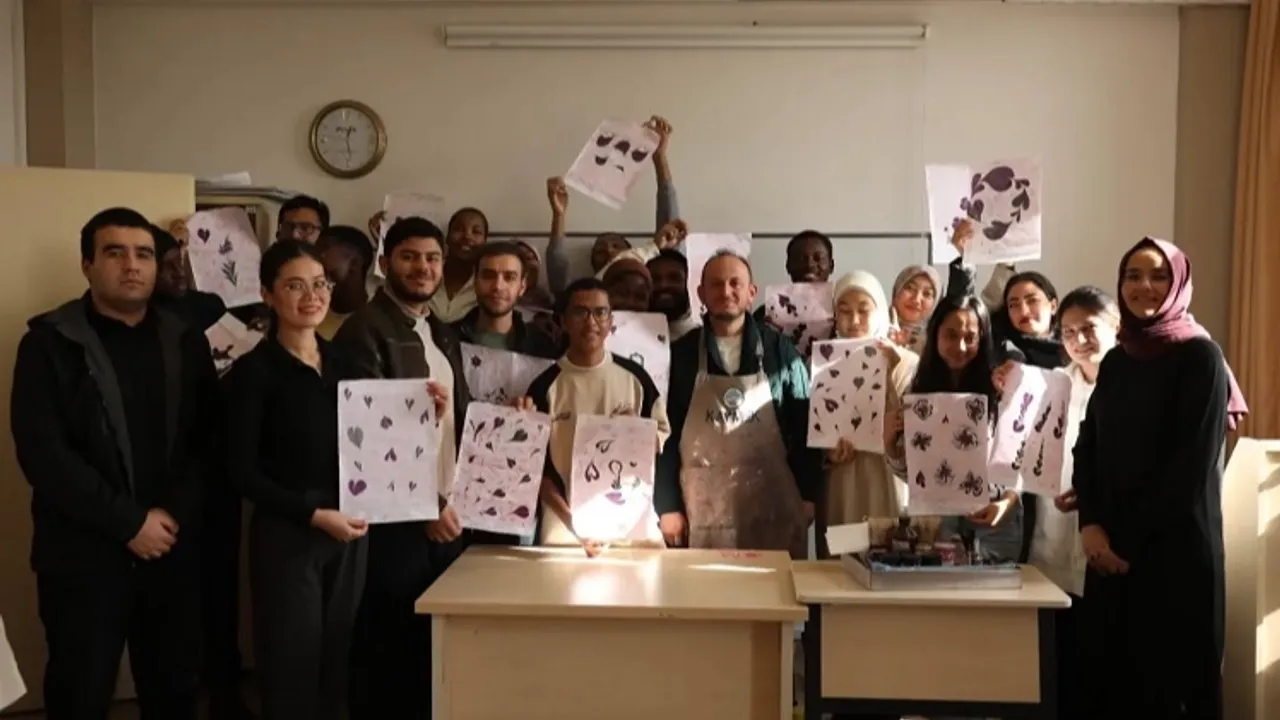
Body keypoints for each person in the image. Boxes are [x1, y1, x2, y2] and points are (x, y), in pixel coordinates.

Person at [11, 207, 220, 719]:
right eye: (115, 252)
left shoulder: (185, 338)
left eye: (144, 254)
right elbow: (43, 453)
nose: (132, 265)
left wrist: (169, 516)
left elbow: (209, 440)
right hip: (82, 555)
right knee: (79, 692)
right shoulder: (49, 343)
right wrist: (128, 523)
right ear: (87, 264)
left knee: (173, 691)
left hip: (171, 548)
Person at [1071, 237, 1247, 720]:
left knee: (1173, 695)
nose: (1144, 286)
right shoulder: (1117, 361)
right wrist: (1091, 525)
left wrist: (1121, 544)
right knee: (1114, 693)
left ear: (1179, 282)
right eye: (1133, 275)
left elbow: (1188, 472)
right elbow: (1088, 445)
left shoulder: (1201, 358)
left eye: (1158, 275)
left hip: (1175, 559)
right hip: (1108, 553)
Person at [332, 216, 490, 720]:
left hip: (444, 509)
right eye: (409, 257)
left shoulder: (439, 331)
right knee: (390, 641)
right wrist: (425, 505)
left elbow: (454, 419)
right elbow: (368, 435)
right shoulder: (364, 330)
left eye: (432, 258)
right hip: (396, 518)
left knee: (431, 642)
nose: (423, 268)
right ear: (385, 263)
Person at [658, 251, 819, 556]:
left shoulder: (781, 352)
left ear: (751, 293)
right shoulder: (681, 355)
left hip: (773, 505)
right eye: (716, 284)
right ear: (701, 294)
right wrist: (666, 506)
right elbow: (665, 435)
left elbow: (804, 427)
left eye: (735, 283)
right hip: (698, 509)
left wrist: (808, 495)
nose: (726, 291)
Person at [1008, 285, 1119, 720]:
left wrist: (1092, 499)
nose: (1079, 340)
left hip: (1108, 540)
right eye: (1069, 332)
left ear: (1115, 326)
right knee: (1058, 664)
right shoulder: (1054, 385)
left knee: (1104, 665)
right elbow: (1028, 452)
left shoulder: (1131, 386)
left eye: (1089, 328)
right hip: (1053, 537)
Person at [522, 278, 671, 553]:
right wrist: (575, 524)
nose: (591, 322)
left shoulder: (636, 378)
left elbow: (661, 438)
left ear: (611, 321)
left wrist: (635, 437)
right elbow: (537, 472)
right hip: (565, 533)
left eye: (600, 312)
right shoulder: (544, 387)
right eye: (580, 312)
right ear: (564, 321)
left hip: (633, 528)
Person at [905, 292, 1021, 562]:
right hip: (937, 515)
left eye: (970, 337)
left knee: (992, 587)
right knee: (940, 585)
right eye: (951, 335)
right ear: (935, 335)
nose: (960, 346)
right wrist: (890, 442)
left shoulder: (1001, 387)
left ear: (983, 338)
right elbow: (909, 469)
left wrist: (1007, 501)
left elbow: (1021, 456)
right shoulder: (917, 390)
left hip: (994, 515)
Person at [819, 272, 917, 551]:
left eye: (864, 310)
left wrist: (893, 371)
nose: (854, 321)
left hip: (888, 478)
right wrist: (827, 454)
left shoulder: (908, 362)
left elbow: (916, 427)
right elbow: (814, 427)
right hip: (843, 481)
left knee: (890, 554)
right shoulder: (823, 364)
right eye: (844, 311)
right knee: (842, 558)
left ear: (881, 312)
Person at [545, 114, 681, 292]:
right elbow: (558, 271)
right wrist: (559, 215)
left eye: (617, 246)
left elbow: (670, 236)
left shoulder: (655, 292)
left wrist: (659, 158)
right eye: (600, 252)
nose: (609, 252)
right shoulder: (587, 297)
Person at [453, 241, 560, 358]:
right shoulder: (447, 338)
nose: (498, 286)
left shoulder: (542, 346)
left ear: (522, 286)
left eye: (509, 277)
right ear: (475, 281)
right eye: (488, 276)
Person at [152, 225, 226, 331]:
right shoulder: (145, 320)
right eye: (168, 266)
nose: (181, 273)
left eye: (179, 261)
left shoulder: (211, 307)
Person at [753, 229, 835, 326]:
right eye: (800, 259)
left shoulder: (845, 311)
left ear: (831, 266)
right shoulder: (766, 315)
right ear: (788, 266)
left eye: (818, 258)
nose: (809, 265)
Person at [430, 206, 489, 322]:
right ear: (447, 237)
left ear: (484, 242)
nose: (467, 236)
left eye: (476, 232)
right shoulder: (426, 271)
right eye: (459, 229)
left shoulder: (488, 285)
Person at [316, 225, 375, 339]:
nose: (315, 257)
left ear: (354, 263)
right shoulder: (310, 317)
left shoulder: (378, 321)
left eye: (324, 249)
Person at [887, 264, 942, 354]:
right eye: (910, 288)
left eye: (927, 294)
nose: (916, 300)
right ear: (897, 290)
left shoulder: (937, 343)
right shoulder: (875, 328)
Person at [647, 248, 699, 342]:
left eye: (674, 278)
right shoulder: (630, 334)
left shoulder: (704, 338)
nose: (663, 285)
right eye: (654, 279)